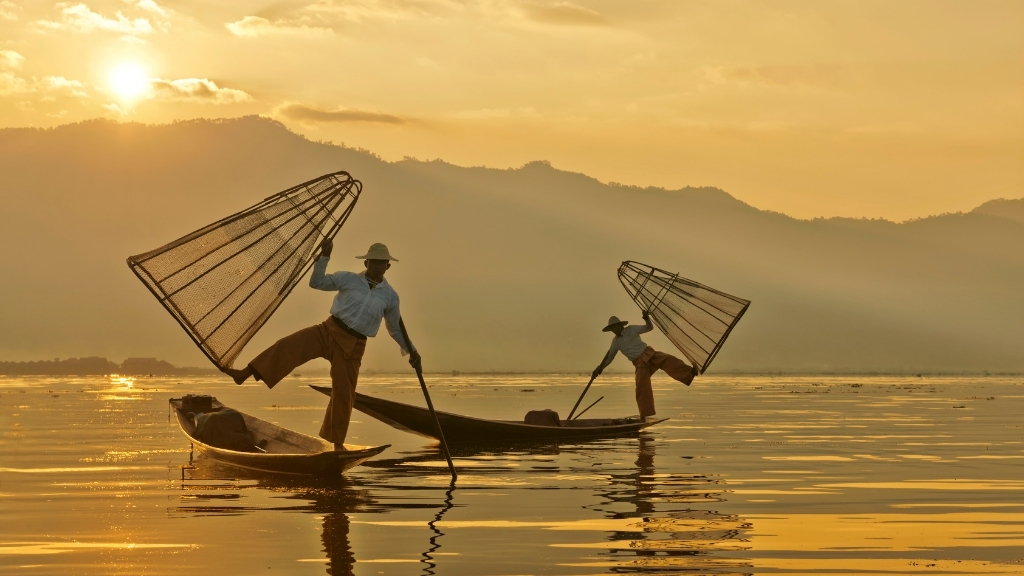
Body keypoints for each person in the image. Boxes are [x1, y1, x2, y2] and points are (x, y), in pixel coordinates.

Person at [223, 239, 421, 450]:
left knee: (344, 394)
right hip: (328, 330)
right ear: (366, 264)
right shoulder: (348, 279)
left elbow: (395, 328)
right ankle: (244, 373)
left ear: (388, 267)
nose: (377, 266)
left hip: (353, 346)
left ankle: (336, 444)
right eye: (373, 262)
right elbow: (317, 282)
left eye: (381, 263)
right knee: (289, 345)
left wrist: (412, 351)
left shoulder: (390, 297)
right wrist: (324, 257)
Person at [592, 311, 697, 419]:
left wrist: (646, 318)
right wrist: (600, 369)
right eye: (612, 329)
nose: (614, 330)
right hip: (640, 363)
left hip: (649, 353)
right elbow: (609, 357)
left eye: (615, 327)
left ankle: (689, 373)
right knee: (641, 387)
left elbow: (649, 328)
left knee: (668, 359)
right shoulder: (616, 342)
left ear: (620, 325)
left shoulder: (631, 329)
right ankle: (645, 414)